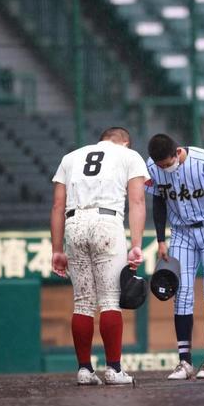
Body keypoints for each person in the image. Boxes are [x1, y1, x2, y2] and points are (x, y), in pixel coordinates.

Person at [50, 127, 150, 385]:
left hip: (74, 223)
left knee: (83, 302)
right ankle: (114, 369)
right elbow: (137, 201)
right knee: (109, 300)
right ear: (124, 142)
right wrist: (137, 244)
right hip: (107, 222)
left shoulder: (70, 157)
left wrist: (57, 249)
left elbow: (58, 206)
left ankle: (84, 370)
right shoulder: (129, 156)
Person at [146, 134, 204, 380]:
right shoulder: (152, 166)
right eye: (159, 165)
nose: (163, 168)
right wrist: (161, 239)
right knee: (181, 295)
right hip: (181, 233)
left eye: (166, 163)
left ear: (177, 152)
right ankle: (184, 362)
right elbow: (159, 201)